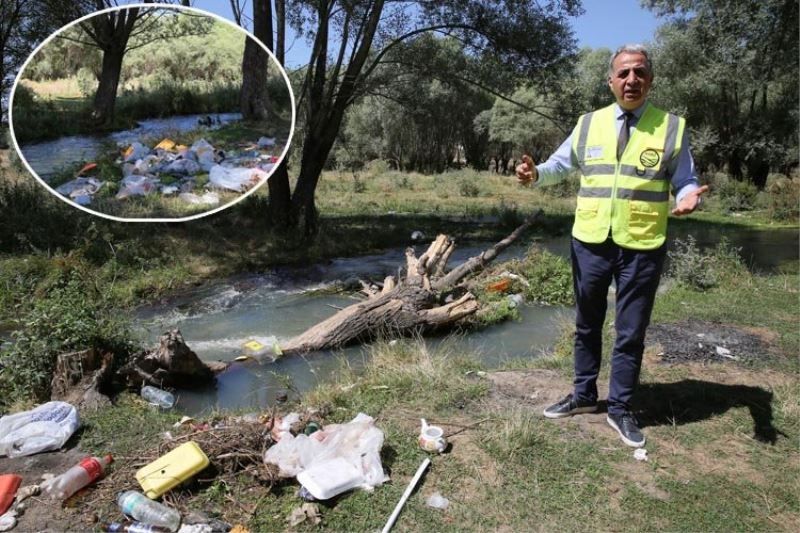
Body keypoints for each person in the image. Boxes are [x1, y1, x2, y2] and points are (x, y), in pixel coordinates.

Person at [515, 44, 708, 447]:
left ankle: (619, 409)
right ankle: (584, 396)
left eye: (639, 72)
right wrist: (534, 175)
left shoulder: (672, 126)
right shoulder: (589, 124)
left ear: (650, 80)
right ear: (610, 81)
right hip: (590, 241)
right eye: (623, 73)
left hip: (642, 243)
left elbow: (685, 179)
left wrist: (688, 195)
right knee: (586, 324)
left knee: (630, 331)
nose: (631, 80)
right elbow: (558, 166)